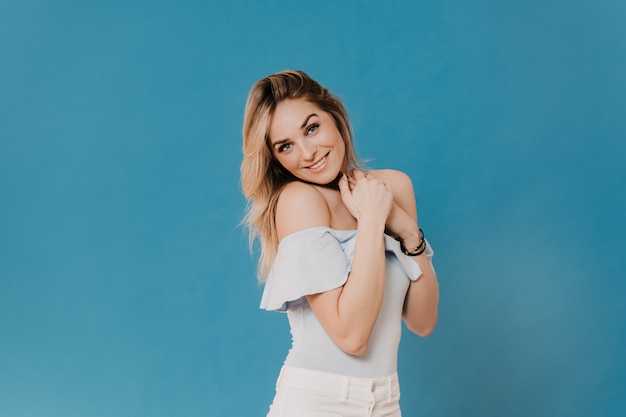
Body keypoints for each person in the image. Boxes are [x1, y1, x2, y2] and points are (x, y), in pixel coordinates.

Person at [241, 70, 439, 417]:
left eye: (312, 128)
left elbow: (423, 322)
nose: (307, 153)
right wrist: (373, 220)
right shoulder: (299, 201)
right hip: (318, 404)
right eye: (285, 146)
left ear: (335, 115)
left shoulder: (392, 187)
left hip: (386, 403)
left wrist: (408, 233)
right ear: (275, 159)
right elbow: (352, 336)